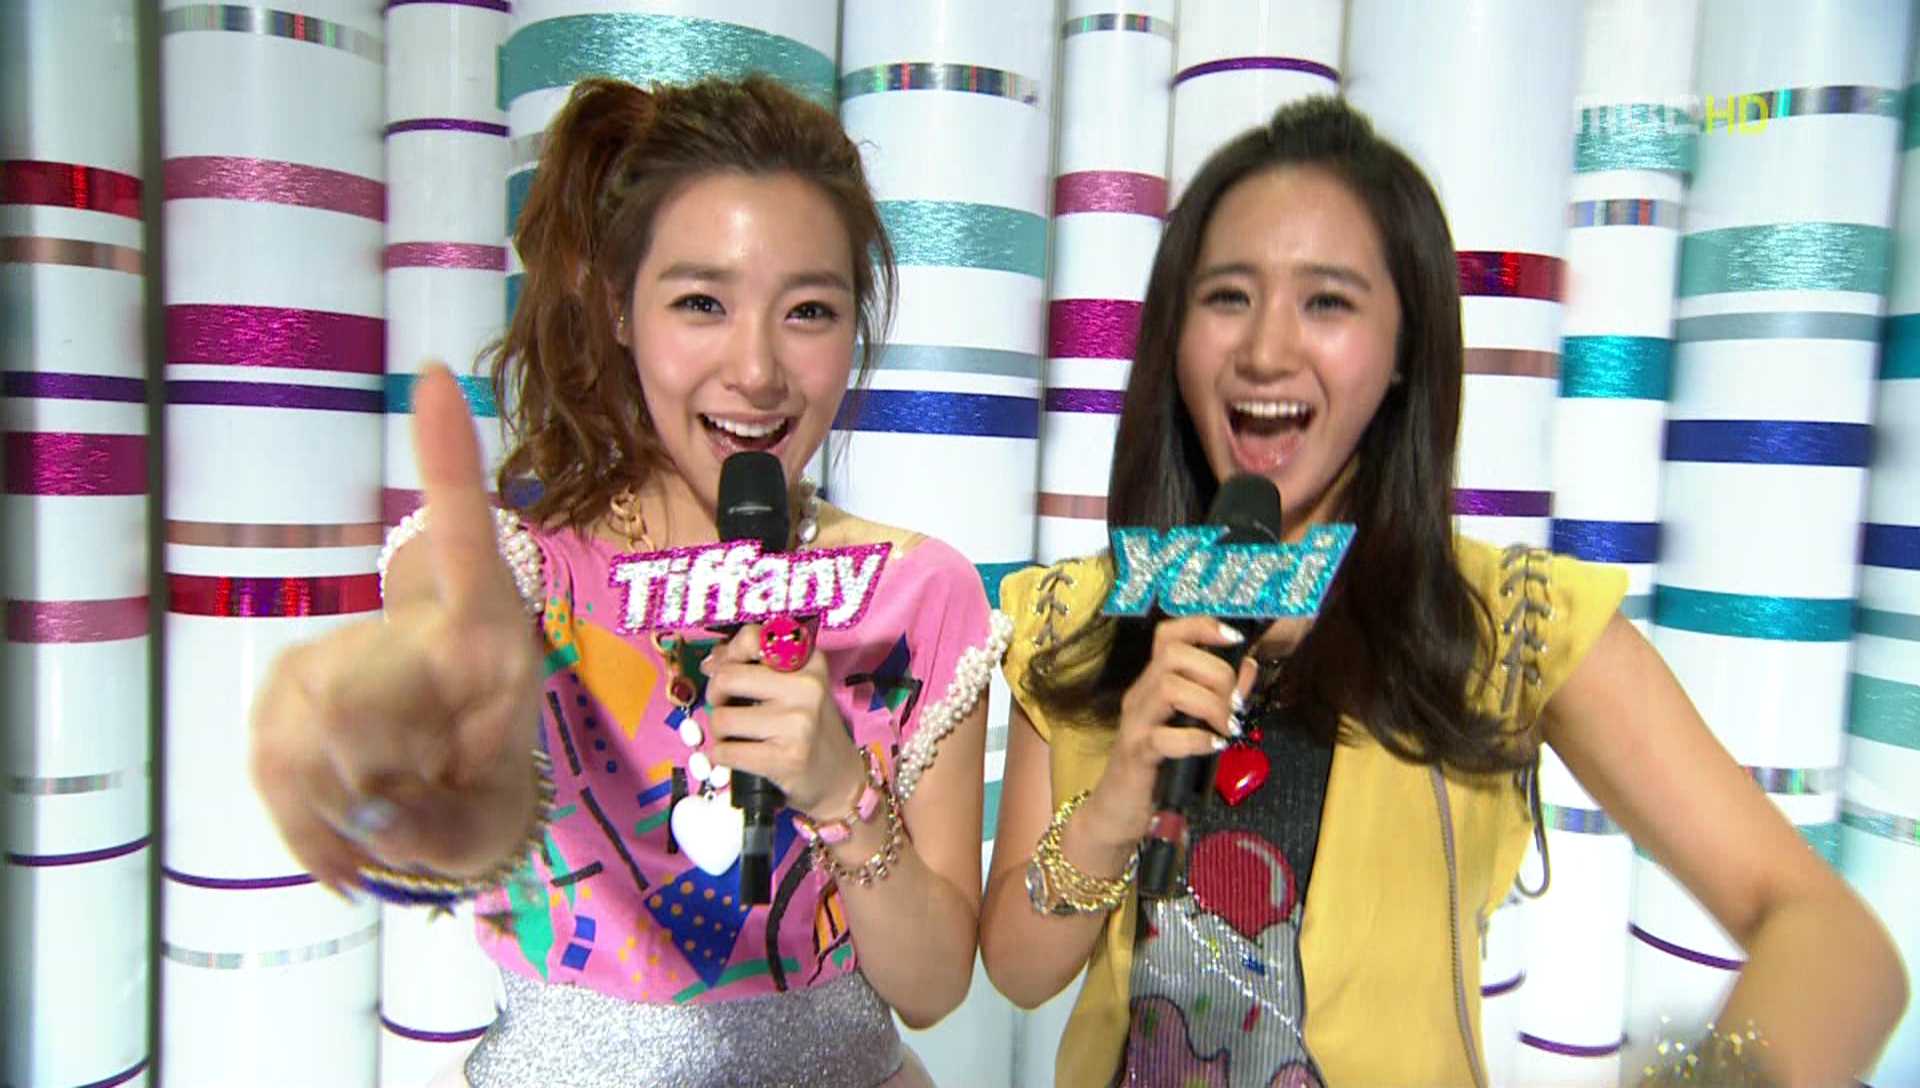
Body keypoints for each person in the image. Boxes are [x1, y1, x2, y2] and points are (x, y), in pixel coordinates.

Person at [978, 96, 1908, 1088]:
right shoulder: (1084, 613)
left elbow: (1834, 939)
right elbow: (1019, 970)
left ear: (1402, 352)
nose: (1265, 350)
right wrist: (1115, 804)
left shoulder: (1506, 619)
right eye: (1228, 296)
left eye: (1327, 302)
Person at [248, 75, 1007, 1087]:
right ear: (618, 309)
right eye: (701, 303)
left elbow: (934, 984)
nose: (757, 370)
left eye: (809, 310)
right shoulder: (532, 572)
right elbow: (450, 616)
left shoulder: (917, 593)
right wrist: (415, 693)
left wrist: (839, 791)